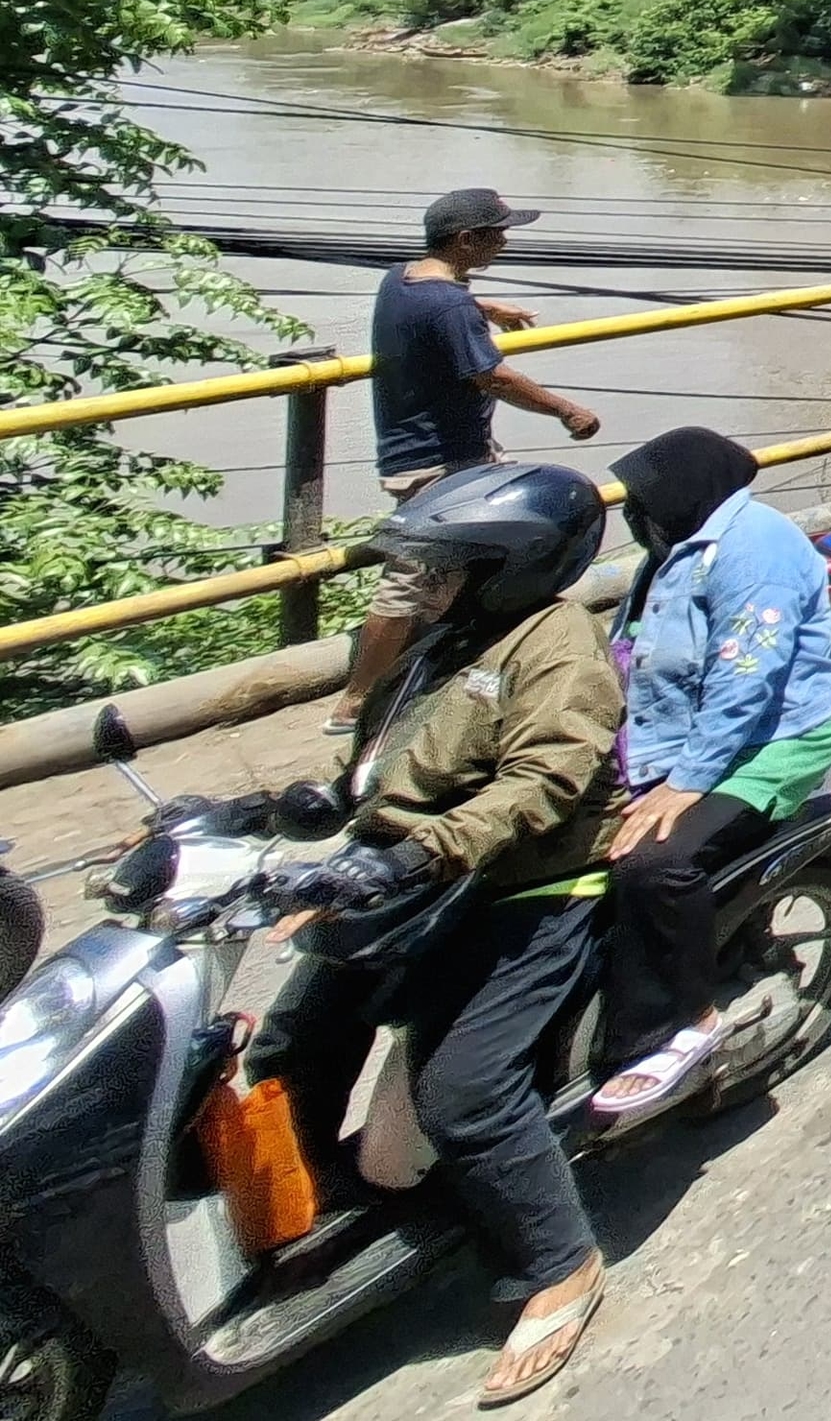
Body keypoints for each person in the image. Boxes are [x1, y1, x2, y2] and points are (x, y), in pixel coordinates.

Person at [246, 462, 626, 1403]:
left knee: (464, 1095)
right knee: (291, 1043)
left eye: (445, 567)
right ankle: (327, 1201)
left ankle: (562, 1263)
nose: (422, 583)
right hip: (405, 881)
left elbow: (540, 785)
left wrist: (420, 856)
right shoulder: (442, 641)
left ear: (511, 568)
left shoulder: (559, 650)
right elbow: (381, 766)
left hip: (522, 888)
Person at [591, 427, 831, 1125]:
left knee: (654, 863)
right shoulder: (672, 551)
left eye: (644, 499)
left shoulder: (751, 549)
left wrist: (687, 784)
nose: (634, 514)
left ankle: (682, 1024)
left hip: (773, 740)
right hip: (672, 738)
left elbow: (747, 678)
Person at [340, 186, 602, 731]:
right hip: (440, 461)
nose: (504, 241)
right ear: (466, 240)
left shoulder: (402, 278)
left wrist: (488, 308)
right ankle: (358, 702)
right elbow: (493, 376)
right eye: (497, 232)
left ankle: (441, 663)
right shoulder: (450, 304)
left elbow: (437, 309)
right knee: (411, 576)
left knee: (467, 564)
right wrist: (566, 410)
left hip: (422, 449)